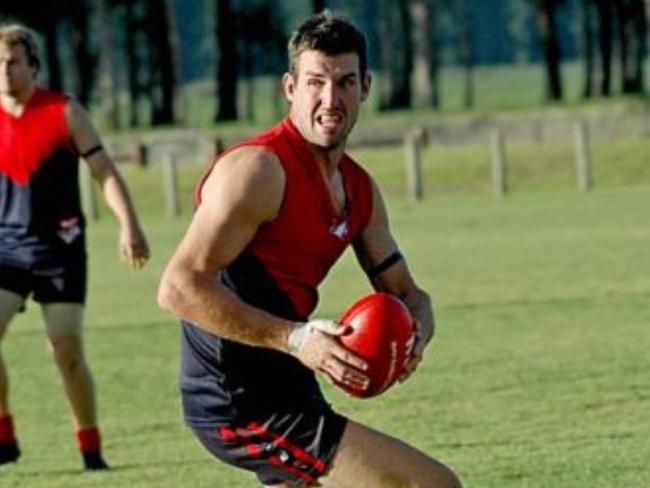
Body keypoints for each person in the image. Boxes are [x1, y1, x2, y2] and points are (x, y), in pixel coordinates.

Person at [158, 11, 462, 488]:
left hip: (291, 388)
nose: (329, 99)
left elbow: (409, 294)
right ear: (290, 88)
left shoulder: (359, 191)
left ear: (365, 86)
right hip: (237, 399)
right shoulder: (257, 172)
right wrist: (297, 340)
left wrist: (416, 332)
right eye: (315, 81)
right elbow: (178, 287)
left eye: (344, 82)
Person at [0, 24, 149, 470]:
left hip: (59, 249)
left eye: (13, 62)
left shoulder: (65, 112)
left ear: (33, 66)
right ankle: (4, 436)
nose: (5, 70)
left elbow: (104, 173)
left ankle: (90, 448)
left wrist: (130, 226)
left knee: (65, 350)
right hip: (6, 248)